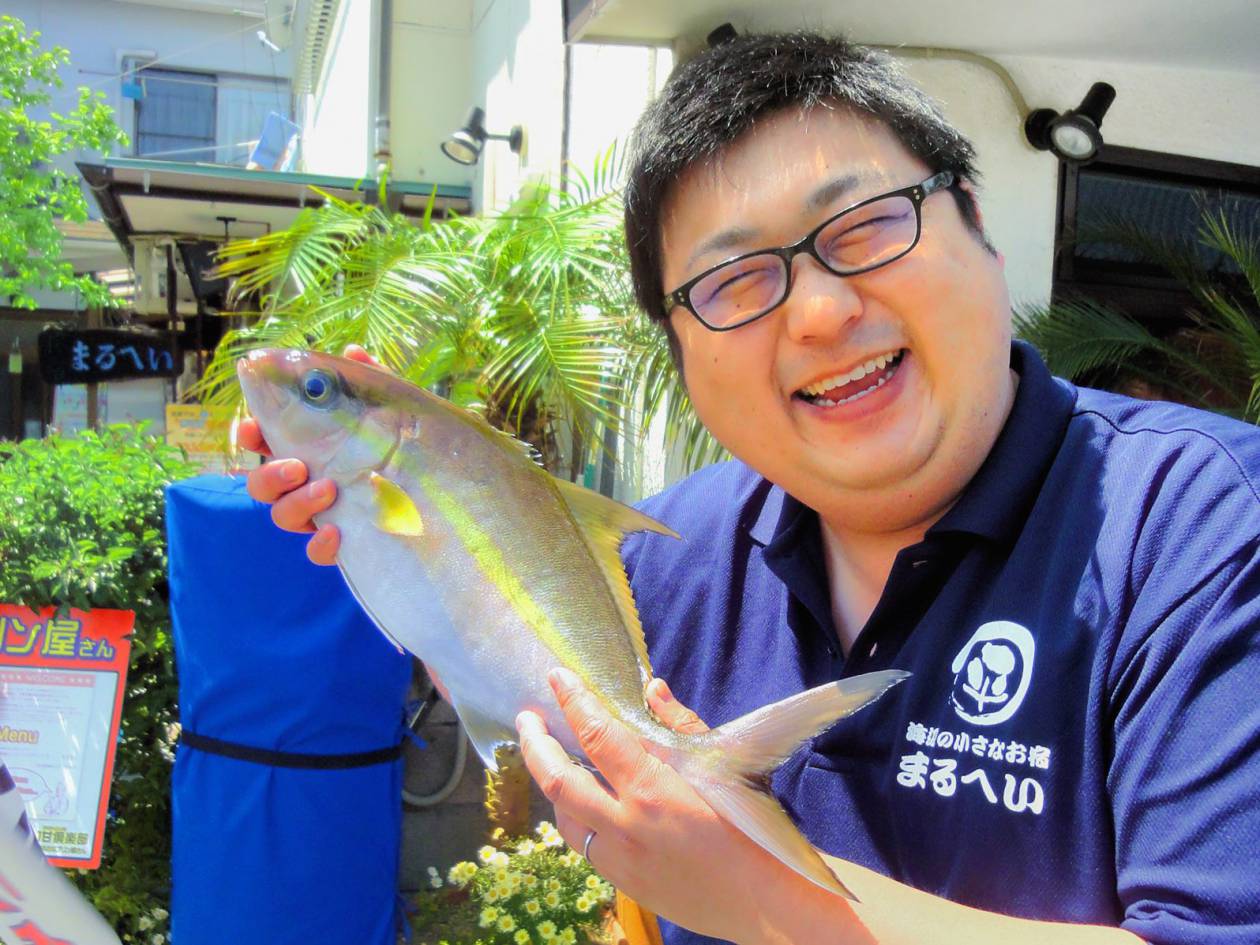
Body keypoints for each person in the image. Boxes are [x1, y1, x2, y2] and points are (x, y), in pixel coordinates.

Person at [241, 31, 1260, 945]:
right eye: (735, 283)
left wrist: (780, 907)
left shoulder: (1203, 524)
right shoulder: (673, 550)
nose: (817, 312)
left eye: (863, 226)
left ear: (980, 227)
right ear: (680, 348)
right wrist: (416, 550)